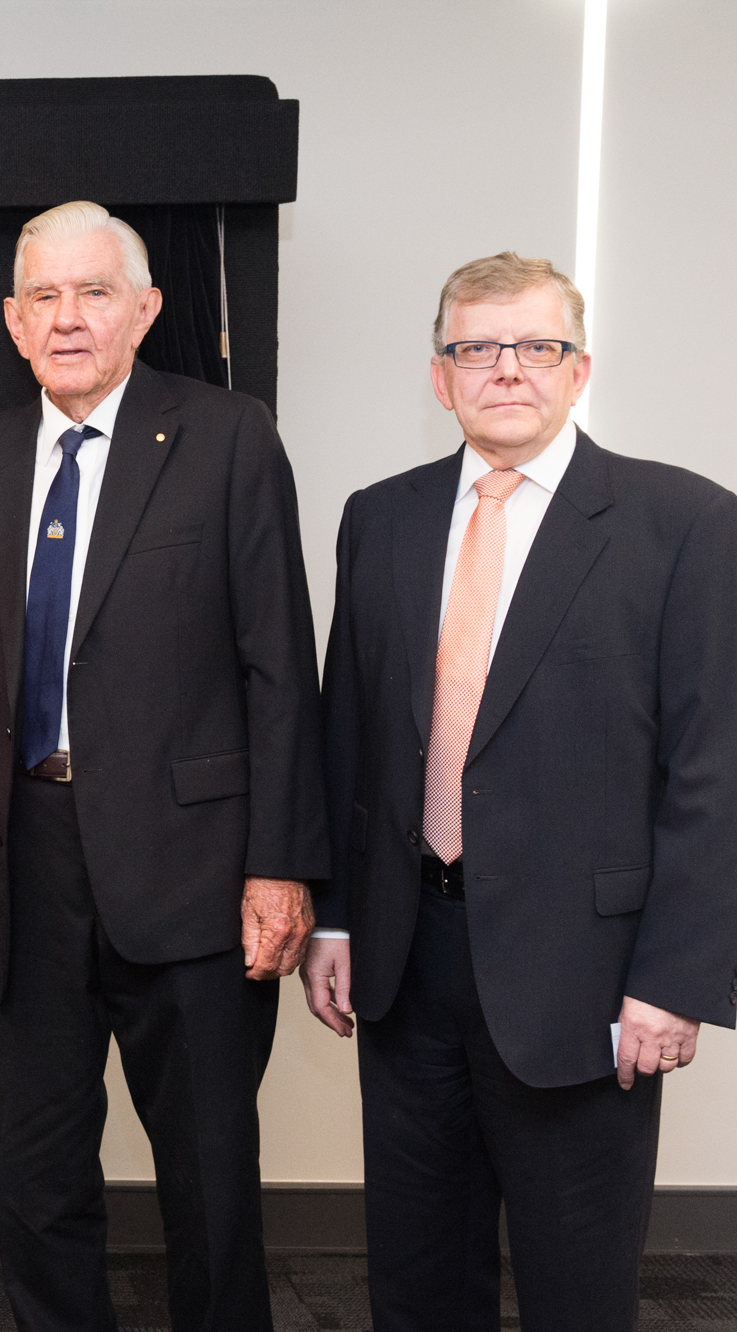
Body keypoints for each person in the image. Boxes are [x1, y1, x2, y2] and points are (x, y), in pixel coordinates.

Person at [0, 201, 329, 1332]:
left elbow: (278, 666)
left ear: (143, 310)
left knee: (206, 1180)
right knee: (35, 1178)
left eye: (92, 291)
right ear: (9, 320)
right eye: (42, 296)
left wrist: (282, 865)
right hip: (25, 869)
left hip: (195, 871)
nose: (66, 317)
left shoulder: (228, 435)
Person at [302, 252, 737, 1331]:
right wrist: (339, 920)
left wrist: (674, 980)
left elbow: (711, 773)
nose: (506, 369)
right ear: (438, 376)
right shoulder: (379, 518)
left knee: (574, 1290)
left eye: (534, 346)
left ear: (577, 370)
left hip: (584, 984)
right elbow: (348, 735)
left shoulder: (682, 523)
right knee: (413, 1280)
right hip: (407, 964)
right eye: (474, 348)